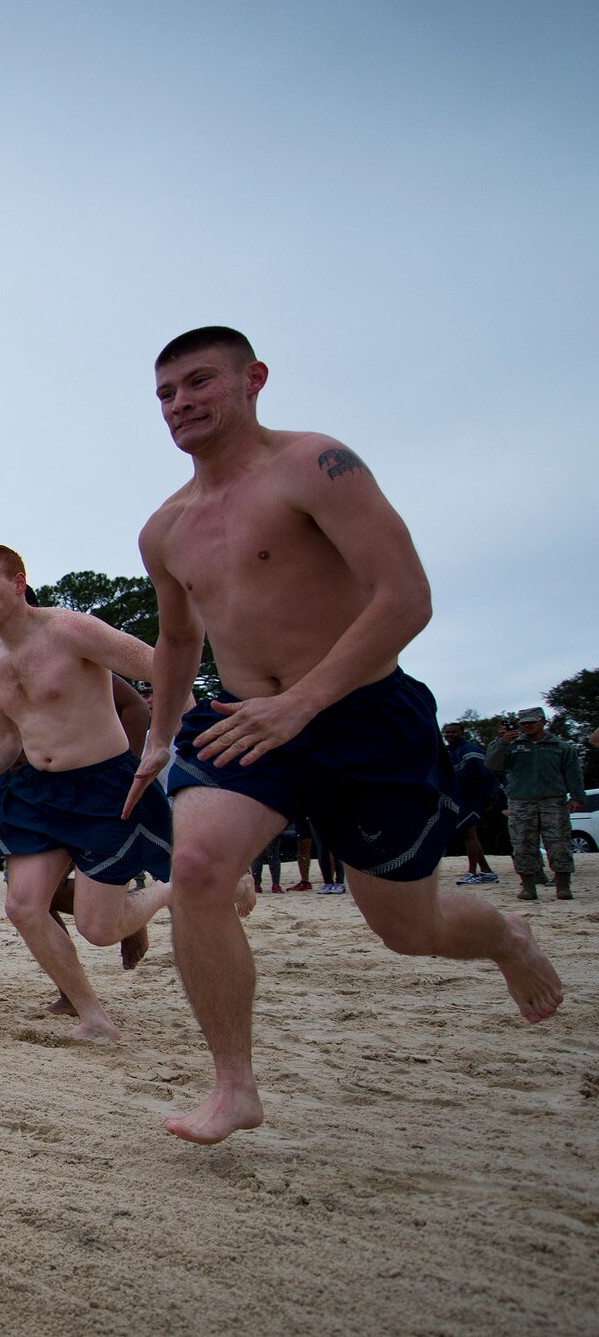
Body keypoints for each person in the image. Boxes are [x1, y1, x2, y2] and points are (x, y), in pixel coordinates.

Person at [132, 325, 561, 1144]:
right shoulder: (165, 528)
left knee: (410, 929)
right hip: (239, 720)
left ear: (252, 379)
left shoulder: (315, 465)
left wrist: (305, 701)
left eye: (198, 383)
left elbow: (406, 596)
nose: (180, 404)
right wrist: (159, 739)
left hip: (363, 717)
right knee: (195, 865)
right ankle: (234, 1085)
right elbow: (180, 641)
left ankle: (507, 937)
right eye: (165, 393)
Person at [0, 543, 177, 1042]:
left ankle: (164, 892)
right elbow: (7, 738)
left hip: (100, 784)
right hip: (35, 792)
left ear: (18, 582)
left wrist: (165, 742)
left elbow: (161, 668)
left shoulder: (71, 630)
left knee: (99, 928)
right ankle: (93, 1017)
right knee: (22, 907)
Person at [488, 707, 585, 900]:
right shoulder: (511, 745)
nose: (528, 726)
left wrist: (577, 797)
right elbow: (492, 765)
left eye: (532, 721)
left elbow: (573, 773)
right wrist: (502, 743)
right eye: (523, 723)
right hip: (521, 802)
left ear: (543, 721)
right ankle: (529, 886)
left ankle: (563, 885)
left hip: (553, 800)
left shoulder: (561, 746)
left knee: (559, 843)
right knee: (522, 844)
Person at [445, 722, 503, 885]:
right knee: (468, 834)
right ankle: (487, 871)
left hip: (472, 797)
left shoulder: (470, 750)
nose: (450, 735)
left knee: (469, 833)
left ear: (462, 733)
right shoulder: (451, 751)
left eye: (453, 732)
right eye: (447, 732)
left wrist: (453, 784)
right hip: (461, 797)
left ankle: (472, 873)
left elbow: (482, 775)